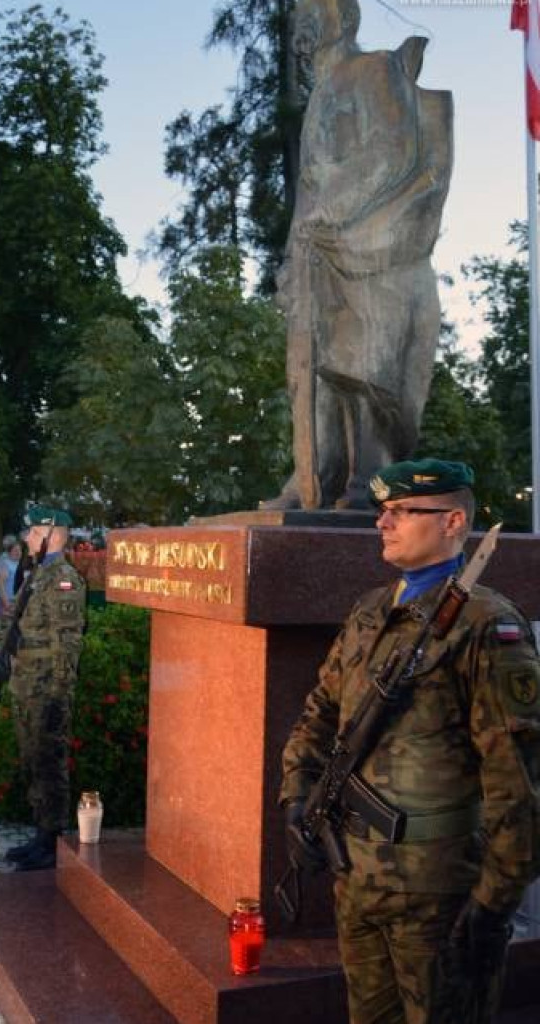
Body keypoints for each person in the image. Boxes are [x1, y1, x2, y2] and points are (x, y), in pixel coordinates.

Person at [280, 459, 540, 1024]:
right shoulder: (371, 610)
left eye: (401, 511)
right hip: (356, 876)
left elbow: (516, 787)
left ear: (452, 522)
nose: (382, 522)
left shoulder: (488, 627)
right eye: (383, 511)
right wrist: (296, 797)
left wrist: (493, 907)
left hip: (439, 893)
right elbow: (320, 713)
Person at [269, 0, 452, 509]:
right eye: (296, 14)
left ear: (345, 20)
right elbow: (306, 190)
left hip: (370, 245)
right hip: (319, 250)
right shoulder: (319, 96)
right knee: (321, 370)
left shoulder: (371, 70)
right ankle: (318, 475)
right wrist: (289, 258)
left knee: (364, 366)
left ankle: (368, 480)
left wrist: (330, 212)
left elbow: (392, 149)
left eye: (314, 11)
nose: (302, 22)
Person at [4, 507, 86, 871]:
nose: (26, 539)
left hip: (47, 688)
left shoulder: (63, 579)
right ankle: (40, 833)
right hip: (27, 684)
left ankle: (53, 841)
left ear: (51, 535)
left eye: (31, 533)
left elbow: (66, 642)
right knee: (32, 760)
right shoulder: (38, 575)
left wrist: (58, 694)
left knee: (49, 763)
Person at [0, 537, 21, 621]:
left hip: (15, 601)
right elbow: (0, 584)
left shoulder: (19, 564)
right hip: (5, 601)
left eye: (19, 550)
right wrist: (6, 603)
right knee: (1, 627)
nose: (18, 552)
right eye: (15, 550)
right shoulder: (6, 564)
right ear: (9, 552)